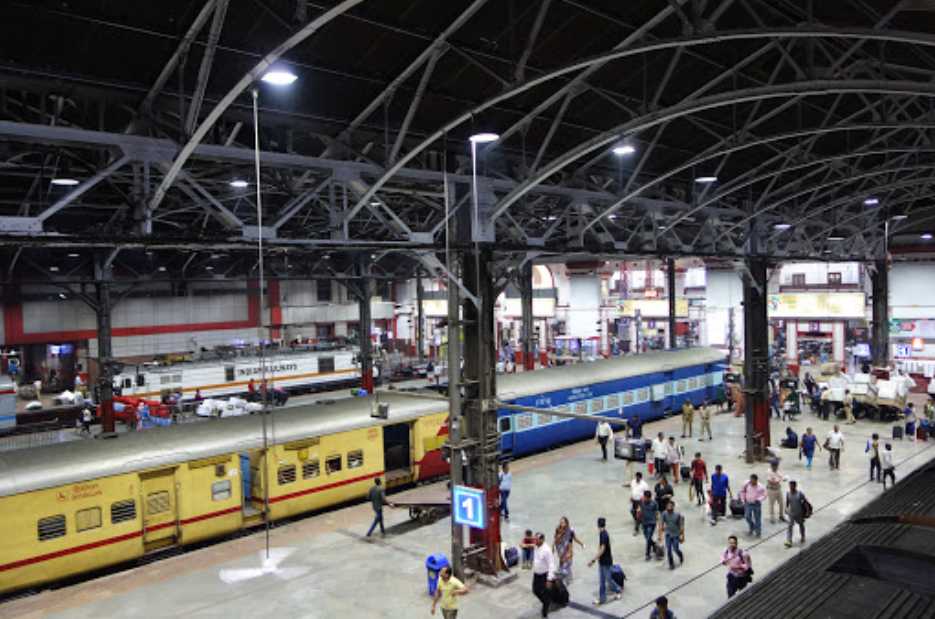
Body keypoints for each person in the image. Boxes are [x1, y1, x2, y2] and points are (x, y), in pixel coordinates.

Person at [587, 517, 622, 606]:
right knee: (602, 580)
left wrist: (593, 560)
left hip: (606, 562)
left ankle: (618, 589)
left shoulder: (603, 535)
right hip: (603, 561)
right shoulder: (603, 533)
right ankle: (602, 598)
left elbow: (602, 549)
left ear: (598, 525)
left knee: (608, 579)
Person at [532, 532, 558, 617]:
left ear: (542, 539)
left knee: (544, 592)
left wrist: (549, 579)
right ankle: (546, 601)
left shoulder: (547, 550)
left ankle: (545, 612)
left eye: (537, 539)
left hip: (544, 575)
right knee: (535, 590)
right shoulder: (536, 546)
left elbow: (551, 564)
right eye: (535, 539)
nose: (535, 541)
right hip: (536, 574)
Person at [554, 516, 584, 583]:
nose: (561, 523)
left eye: (563, 522)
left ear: (566, 523)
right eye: (560, 522)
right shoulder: (558, 529)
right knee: (561, 562)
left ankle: (569, 579)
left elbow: (574, 538)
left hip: (567, 546)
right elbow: (556, 540)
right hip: (560, 546)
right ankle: (563, 577)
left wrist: (581, 544)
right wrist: (553, 547)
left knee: (568, 562)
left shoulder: (571, 530)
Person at [658, 500, 685, 570]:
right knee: (669, 550)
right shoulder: (664, 514)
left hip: (676, 534)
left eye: (670, 506)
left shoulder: (678, 515)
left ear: (673, 507)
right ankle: (671, 564)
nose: (669, 507)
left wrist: (682, 536)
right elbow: (661, 524)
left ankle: (680, 555)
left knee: (676, 548)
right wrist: (660, 535)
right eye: (668, 506)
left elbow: (681, 526)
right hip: (668, 534)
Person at [637, 490, 660, 561]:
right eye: (644, 497)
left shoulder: (654, 503)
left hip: (651, 523)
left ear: (649, 498)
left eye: (646, 497)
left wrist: (658, 522)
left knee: (648, 538)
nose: (645, 498)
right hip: (644, 523)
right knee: (647, 537)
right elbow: (639, 510)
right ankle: (654, 545)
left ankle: (647, 554)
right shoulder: (641, 502)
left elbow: (657, 513)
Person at [784, 480, 807, 548]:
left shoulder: (800, 494)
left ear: (795, 486)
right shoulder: (788, 493)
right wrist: (786, 508)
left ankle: (803, 536)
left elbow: (805, 502)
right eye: (790, 486)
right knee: (790, 526)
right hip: (791, 513)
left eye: (792, 486)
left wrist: (807, 511)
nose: (791, 487)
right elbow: (788, 502)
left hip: (799, 513)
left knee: (801, 524)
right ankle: (789, 540)